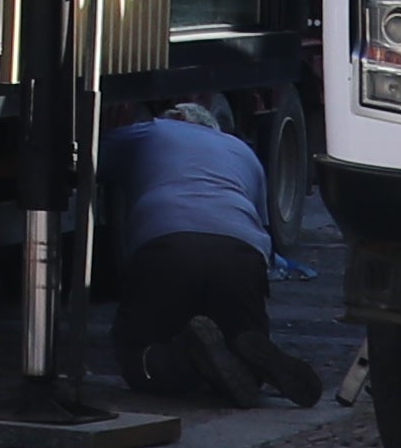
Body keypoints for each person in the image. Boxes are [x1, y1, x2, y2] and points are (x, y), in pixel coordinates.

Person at [103, 88, 319, 404]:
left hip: (169, 245)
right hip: (241, 252)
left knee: (137, 352)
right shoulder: (243, 152)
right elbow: (263, 226)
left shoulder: (156, 130)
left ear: (177, 117)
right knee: (242, 345)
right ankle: (248, 350)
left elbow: (89, 158)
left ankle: (186, 359)